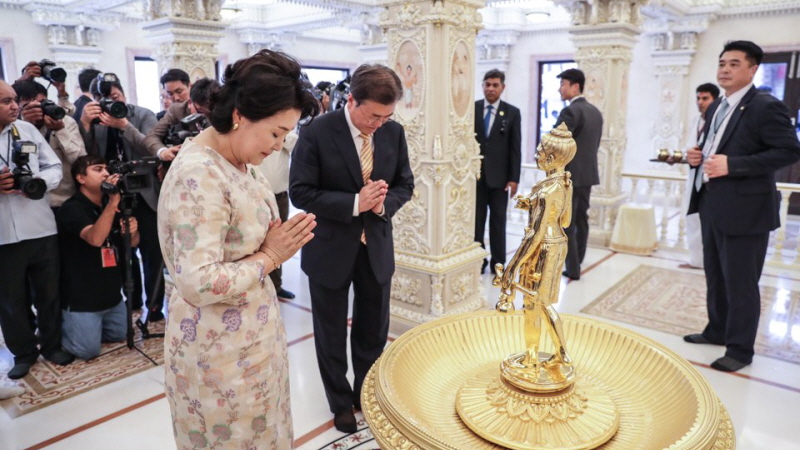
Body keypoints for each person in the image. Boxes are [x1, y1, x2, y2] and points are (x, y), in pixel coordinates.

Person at [158, 49, 318, 449]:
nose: (279, 144)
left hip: (252, 341)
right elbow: (196, 282)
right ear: (240, 116)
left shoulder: (240, 160)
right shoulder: (199, 175)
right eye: (276, 132)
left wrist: (272, 247)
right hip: (216, 355)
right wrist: (270, 257)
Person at [290, 64, 415, 433]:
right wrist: (354, 202)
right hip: (329, 248)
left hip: (375, 247)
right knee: (330, 331)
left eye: (387, 116)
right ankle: (339, 401)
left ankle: (367, 393)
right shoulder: (317, 131)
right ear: (352, 99)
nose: (379, 123)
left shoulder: (393, 132)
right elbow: (301, 191)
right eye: (374, 114)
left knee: (373, 329)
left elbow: (404, 184)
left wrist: (382, 204)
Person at [685, 40, 800, 372]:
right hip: (712, 204)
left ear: (752, 69)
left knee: (740, 282)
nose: (724, 69)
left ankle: (739, 349)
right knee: (716, 276)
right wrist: (698, 156)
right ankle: (717, 329)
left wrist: (734, 165)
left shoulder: (766, 105)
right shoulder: (719, 106)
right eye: (722, 63)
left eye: (734, 63)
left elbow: (789, 151)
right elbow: (715, 148)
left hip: (746, 211)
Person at [0, 80, 74, 380]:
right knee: (10, 299)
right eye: (6, 101)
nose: (15, 105)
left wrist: (41, 181)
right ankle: (24, 352)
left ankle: (53, 345)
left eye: (15, 99)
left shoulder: (26, 131)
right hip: (3, 236)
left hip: (41, 227)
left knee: (49, 293)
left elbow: (54, 167)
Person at [494, 123, 577, 389]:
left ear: (551, 158)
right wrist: (532, 205)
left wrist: (511, 268)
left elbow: (534, 236)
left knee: (535, 304)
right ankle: (542, 355)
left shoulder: (544, 191)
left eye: (540, 151)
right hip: (558, 243)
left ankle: (550, 355)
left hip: (543, 249)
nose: (536, 154)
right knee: (541, 303)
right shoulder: (564, 183)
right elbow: (564, 220)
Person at [80, 77, 161, 317]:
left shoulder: (143, 114)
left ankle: (155, 307)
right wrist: (84, 123)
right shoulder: (96, 120)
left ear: (123, 93)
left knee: (152, 253)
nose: (112, 102)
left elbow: (151, 146)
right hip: (113, 194)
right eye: (105, 99)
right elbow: (84, 156)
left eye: (116, 97)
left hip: (145, 194)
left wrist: (123, 124)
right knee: (124, 252)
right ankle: (132, 301)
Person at [57, 155, 136, 360]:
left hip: (110, 293)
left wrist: (132, 231)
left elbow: (133, 244)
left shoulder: (109, 204)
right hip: (82, 297)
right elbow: (95, 239)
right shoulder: (71, 208)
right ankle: (61, 325)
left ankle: (89, 327)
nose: (106, 174)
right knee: (88, 351)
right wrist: (113, 203)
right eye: (98, 169)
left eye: (106, 169)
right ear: (81, 178)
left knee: (120, 333)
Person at [555, 68, 603, 281]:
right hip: (588, 174)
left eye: (563, 84)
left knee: (568, 223)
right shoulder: (595, 112)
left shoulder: (570, 112)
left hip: (570, 175)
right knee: (581, 219)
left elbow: (556, 143)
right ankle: (579, 260)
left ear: (575, 87)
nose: (560, 89)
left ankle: (572, 268)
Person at [13, 79, 87, 210]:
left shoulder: (66, 122)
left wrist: (61, 131)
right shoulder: (12, 128)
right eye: (28, 106)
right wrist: (27, 126)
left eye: (41, 103)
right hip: (26, 202)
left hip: (64, 200)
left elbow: (81, 162)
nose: (38, 110)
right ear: (17, 107)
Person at [474, 69, 521, 275]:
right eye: (487, 84)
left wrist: (514, 178)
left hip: (500, 180)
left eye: (495, 85)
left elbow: (515, 148)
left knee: (498, 222)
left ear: (502, 87)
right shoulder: (472, 109)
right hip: (475, 178)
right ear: (483, 86)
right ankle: (478, 260)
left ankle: (498, 263)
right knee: (476, 222)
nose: (490, 88)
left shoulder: (511, 113)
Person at [680, 83, 719, 270]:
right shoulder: (696, 121)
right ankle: (696, 260)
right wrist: (688, 154)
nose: (700, 102)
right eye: (698, 98)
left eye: (705, 98)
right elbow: (688, 146)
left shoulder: (720, 121)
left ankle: (710, 261)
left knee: (710, 223)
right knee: (691, 218)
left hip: (712, 179)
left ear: (715, 100)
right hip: (694, 176)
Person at [259, 130, 299, 300]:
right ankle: (257, 285)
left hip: (280, 194)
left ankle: (276, 285)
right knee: (257, 241)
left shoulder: (286, 132)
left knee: (279, 241)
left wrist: (281, 132)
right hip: (257, 194)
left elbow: (296, 145)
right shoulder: (257, 130)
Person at [144, 78, 218, 162]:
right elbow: (151, 136)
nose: (206, 116)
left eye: (210, 111)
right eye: (200, 111)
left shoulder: (223, 112)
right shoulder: (177, 110)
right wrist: (162, 152)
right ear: (190, 102)